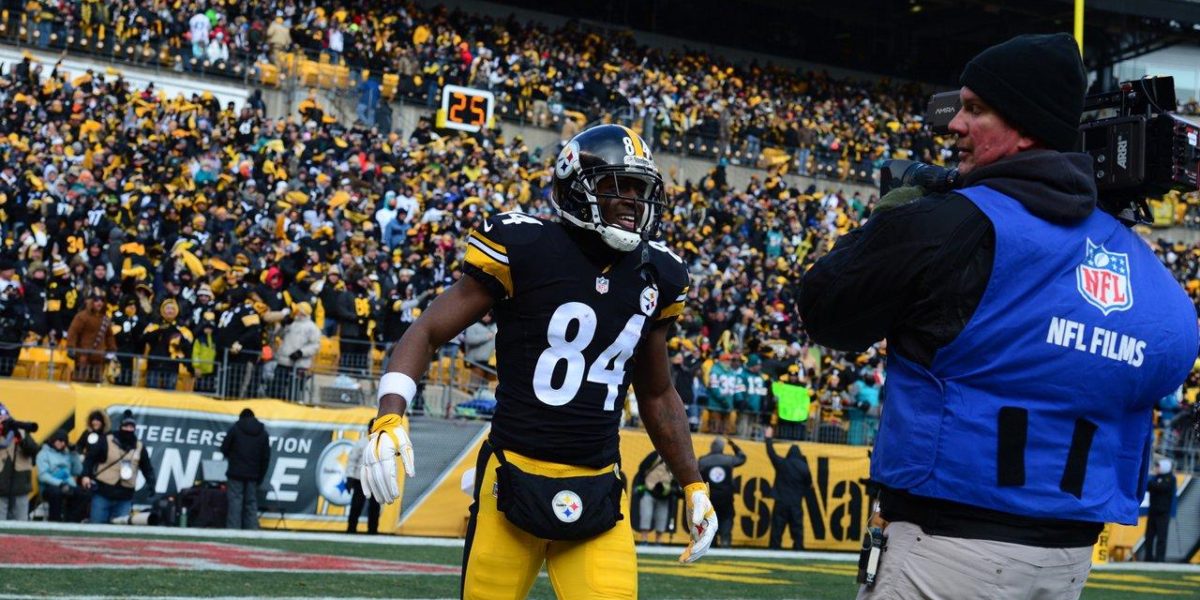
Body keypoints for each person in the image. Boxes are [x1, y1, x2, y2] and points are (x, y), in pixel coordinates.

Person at [799, 34, 1198, 599]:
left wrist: (891, 217)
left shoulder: (954, 223)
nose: (953, 124)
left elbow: (827, 312)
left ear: (1027, 127)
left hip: (946, 546)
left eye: (976, 109)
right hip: (1068, 561)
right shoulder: (1153, 278)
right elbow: (1166, 364)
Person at [359, 124, 718, 599]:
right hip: (512, 480)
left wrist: (693, 485)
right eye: (619, 185)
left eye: (640, 188)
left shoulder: (659, 273)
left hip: (598, 490)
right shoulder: (524, 246)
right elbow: (427, 330)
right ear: (577, 186)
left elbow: (655, 391)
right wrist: (390, 412)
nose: (633, 200)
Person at [83, 410, 155, 524]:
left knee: (120, 531)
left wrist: (151, 483)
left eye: (132, 427)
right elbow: (90, 458)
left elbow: (147, 467)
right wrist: (85, 476)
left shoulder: (139, 446)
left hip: (125, 496)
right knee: (96, 527)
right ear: (121, 426)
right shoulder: (106, 440)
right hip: (103, 493)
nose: (129, 430)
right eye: (126, 426)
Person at [220, 408, 271, 529]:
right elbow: (266, 458)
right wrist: (260, 477)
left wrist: (232, 458)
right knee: (251, 503)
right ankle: (252, 531)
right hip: (253, 475)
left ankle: (233, 531)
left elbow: (224, 448)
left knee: (235, 503)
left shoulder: (235, 429)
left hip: (235, 473)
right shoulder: (263, 433)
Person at [763, 426, 812, 550]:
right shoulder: (804, 467)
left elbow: (771, 454)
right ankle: (798, 548)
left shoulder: (783, 463)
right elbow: (809, 485)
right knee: (797, 529)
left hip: (781, 502)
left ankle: (774, 549)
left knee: (777, 529)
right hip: (796, 503)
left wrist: (768, 438)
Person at [698, 436, 745, 548]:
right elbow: (742, 458)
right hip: (726, 497)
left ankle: (711, 544)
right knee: (726, 519)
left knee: (709, 521)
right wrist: (734, 446)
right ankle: (725, 541)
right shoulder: (729, 460)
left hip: (710, 498)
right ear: (722, 448)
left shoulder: (702, 461)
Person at [66, 289, 116, 383]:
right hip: (83, 357)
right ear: (91, 302)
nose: (99, 303)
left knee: (96, 384)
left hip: (99, 358)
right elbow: (73, 332)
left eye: (102, 300)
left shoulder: (105, 319)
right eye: (96, 300)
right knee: (80, 382)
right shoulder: (82, 316)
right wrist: (71, 347)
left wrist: (111, 349)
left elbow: (109, 336)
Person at [631, 450, 680, 545]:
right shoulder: (655, 455)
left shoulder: (677, 460)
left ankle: (658, 540)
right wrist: (642, 482)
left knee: (661, 517)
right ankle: (644, 539)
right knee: (646, 514)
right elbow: (642, 467)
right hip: (649, 490)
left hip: (665, 495)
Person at [35, 430, 84, 522]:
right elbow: (43, 475)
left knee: (81, 493)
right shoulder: (43, 454)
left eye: (63, 441)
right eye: (59, 440)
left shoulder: (67, 454)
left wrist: (74, 454)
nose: (61, 443)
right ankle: (54, 521)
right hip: (49, 486)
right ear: (53, 440)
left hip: (67, 484)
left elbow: (78, 471)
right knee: (56, 493)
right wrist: (60, 484)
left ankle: (72, 522)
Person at [0, 405, 39, 520]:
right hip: (1, 484)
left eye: (3, 414)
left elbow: (34, 450)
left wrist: (19, 435)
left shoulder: (20, 431)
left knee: (21, 522)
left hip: (20, 484)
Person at [345, 418, 380, 534]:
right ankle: (351, 529)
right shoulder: (361, 443)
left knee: (375, 507)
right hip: (361, 480)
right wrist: (350, 477)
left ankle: (373, 530)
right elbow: (352, 461)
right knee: (356, 505)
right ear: (369, 429)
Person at [1143, 458, 1176, 562]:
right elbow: (1148, 486)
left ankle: (1160, 558)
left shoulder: (1170, 478)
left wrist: (1153, 485)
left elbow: (1162, 487)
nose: (1156, 469)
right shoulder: (1156, 477)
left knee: (1161, 537)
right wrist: (1153, 485)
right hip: (1153, 511)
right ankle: (1148, 557)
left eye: (1158, 466)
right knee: (1149, 536)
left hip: (1163, 513)